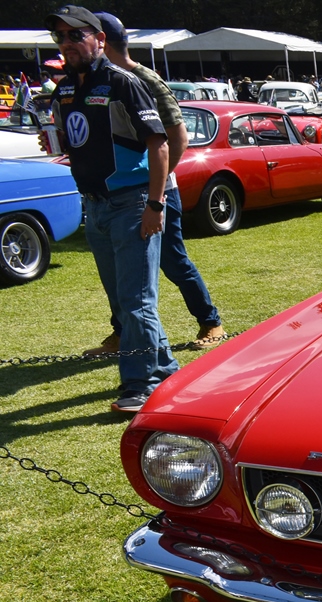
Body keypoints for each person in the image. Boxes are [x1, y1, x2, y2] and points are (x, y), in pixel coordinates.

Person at [46, 4, 176, 413]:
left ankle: (143, 383)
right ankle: (166, 366)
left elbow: (161, 145)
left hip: (133, 202)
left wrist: (155, 204)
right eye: (60, 37)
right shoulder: (66, 88)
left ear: (99, 39)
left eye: (76, 35)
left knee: (137, 300)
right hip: (96, 206)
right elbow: (77, 139)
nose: (67, 43)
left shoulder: (124, 82)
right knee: (123, 301)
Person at [84, 11, 223, 356]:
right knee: (120, 269)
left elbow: (178, 138)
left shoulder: (144, 79)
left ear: (103, 41)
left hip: (155, 193)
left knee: (173, 261)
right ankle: (121, 333)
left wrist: (154, 188)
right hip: (116, 195)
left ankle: (210, 321)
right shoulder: (96, 79)